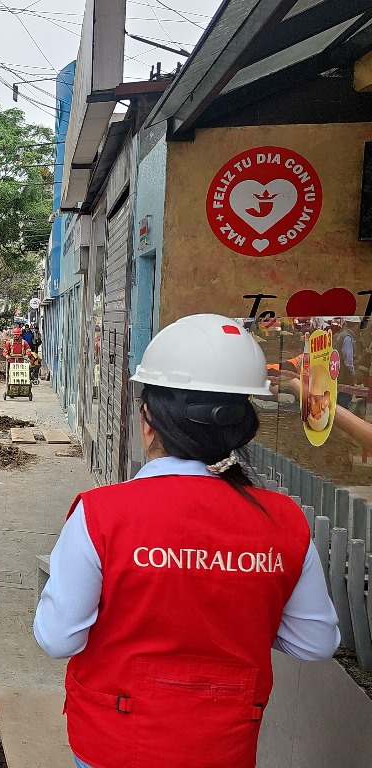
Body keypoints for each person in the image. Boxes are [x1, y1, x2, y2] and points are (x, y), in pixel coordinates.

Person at [33, 314, 339, 768]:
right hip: (224, 746)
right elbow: (316, 641)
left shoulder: (102, 514)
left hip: (113, 741)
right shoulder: (283, 521)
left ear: (149, 420)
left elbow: (59, 638)